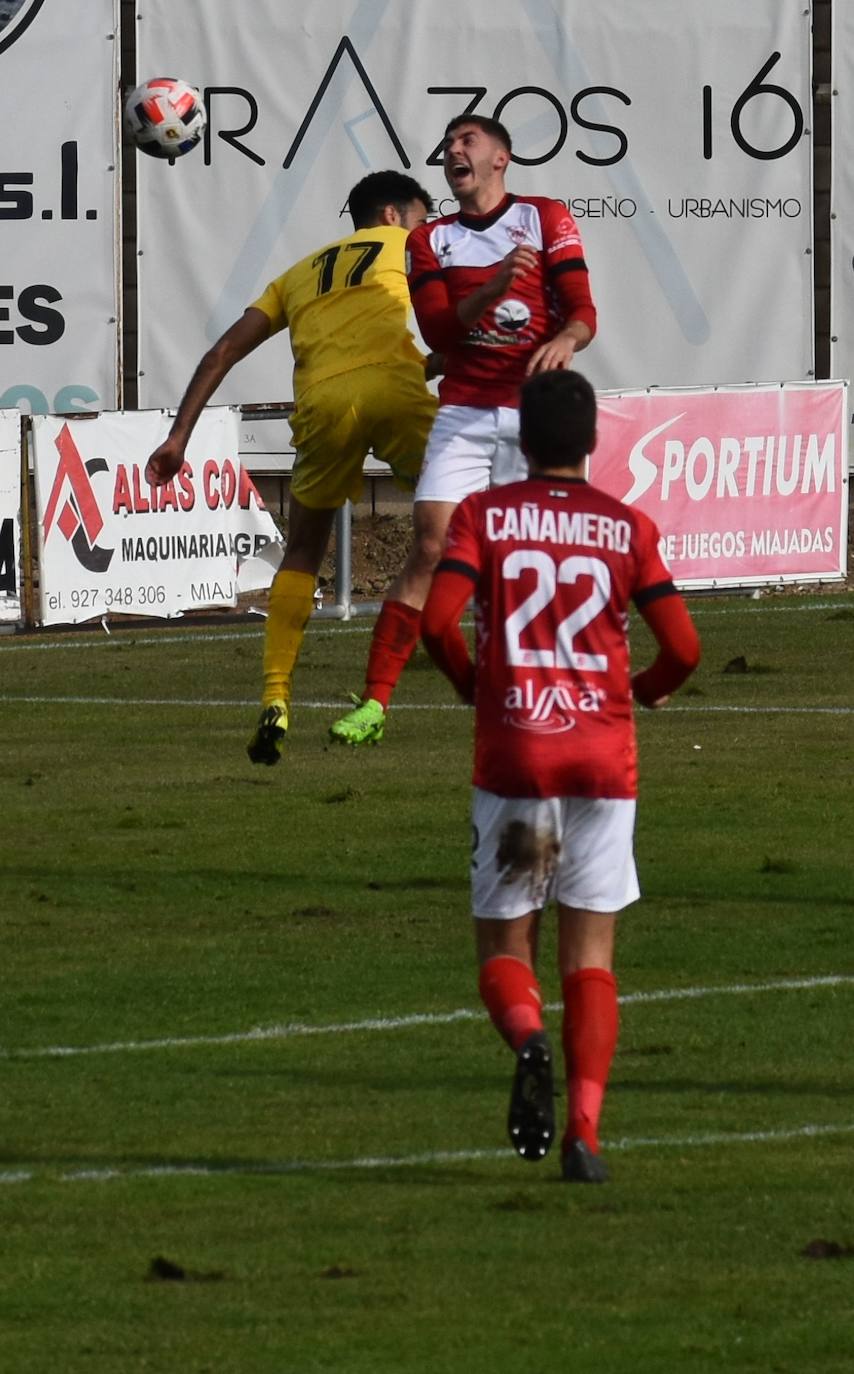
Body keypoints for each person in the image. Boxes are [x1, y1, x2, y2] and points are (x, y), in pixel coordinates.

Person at [420, 369, 701, 1182]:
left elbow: (438, 621)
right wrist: (638, 692)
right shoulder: (626, 525)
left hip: (517, 756)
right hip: (602, 761)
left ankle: (528, 1038)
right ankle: (584, 1131)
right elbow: (683, 649)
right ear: (591, 442)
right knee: (591, 956)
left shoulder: (485, 515)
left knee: (506, 949)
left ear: (523, 439)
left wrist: (472, 680)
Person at [145, 170, 438, 764]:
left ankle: (276, 695)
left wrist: (178, 438)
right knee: (464, 519)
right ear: (392, 215)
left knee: (304, 549)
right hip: (396, 394)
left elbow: (221, 351)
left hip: (322, 405)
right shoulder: (415, 245)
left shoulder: (299, 272)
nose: (425, 228)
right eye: (421, 216)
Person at [329, 113, 597, 748]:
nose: (453, 150)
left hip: (538, 414)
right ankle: (374, 704)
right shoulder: (431, 241)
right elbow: (442, 334)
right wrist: (499, 283)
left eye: (467, 141)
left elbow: (583, 310)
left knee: (540, 561)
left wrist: (564, 336)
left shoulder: (545, 216)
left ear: (501, 157)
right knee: (430, 546)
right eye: (447, 143)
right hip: (467, 411)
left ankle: (549, 700)